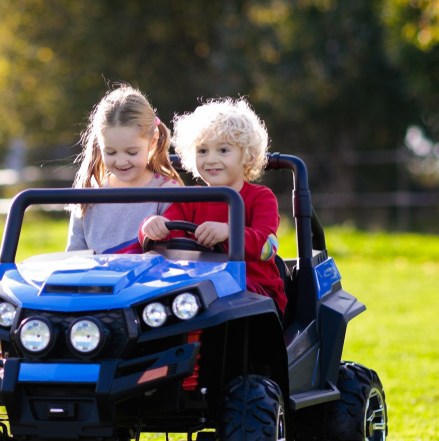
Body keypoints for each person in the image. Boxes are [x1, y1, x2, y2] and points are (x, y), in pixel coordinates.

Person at [139, 98, 287, 313]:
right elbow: (168, 233)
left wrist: (229, 232)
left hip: (254, 292)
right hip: (196, 288)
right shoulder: (189, 199)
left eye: (223, 150)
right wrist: (152, 227)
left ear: (248, 155)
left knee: (214, 292)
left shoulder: (261, 198)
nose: (211, 159)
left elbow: (267, 247)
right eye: (202, 151)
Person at [66, 85, 181, 254]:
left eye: (132, 152)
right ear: (99, 145)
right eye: (110, 152)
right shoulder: (88, 193)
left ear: (153, 141)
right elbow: (74, 256)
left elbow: (179, 255)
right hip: (96, 280)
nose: (121, 161)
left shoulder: (168, 192)